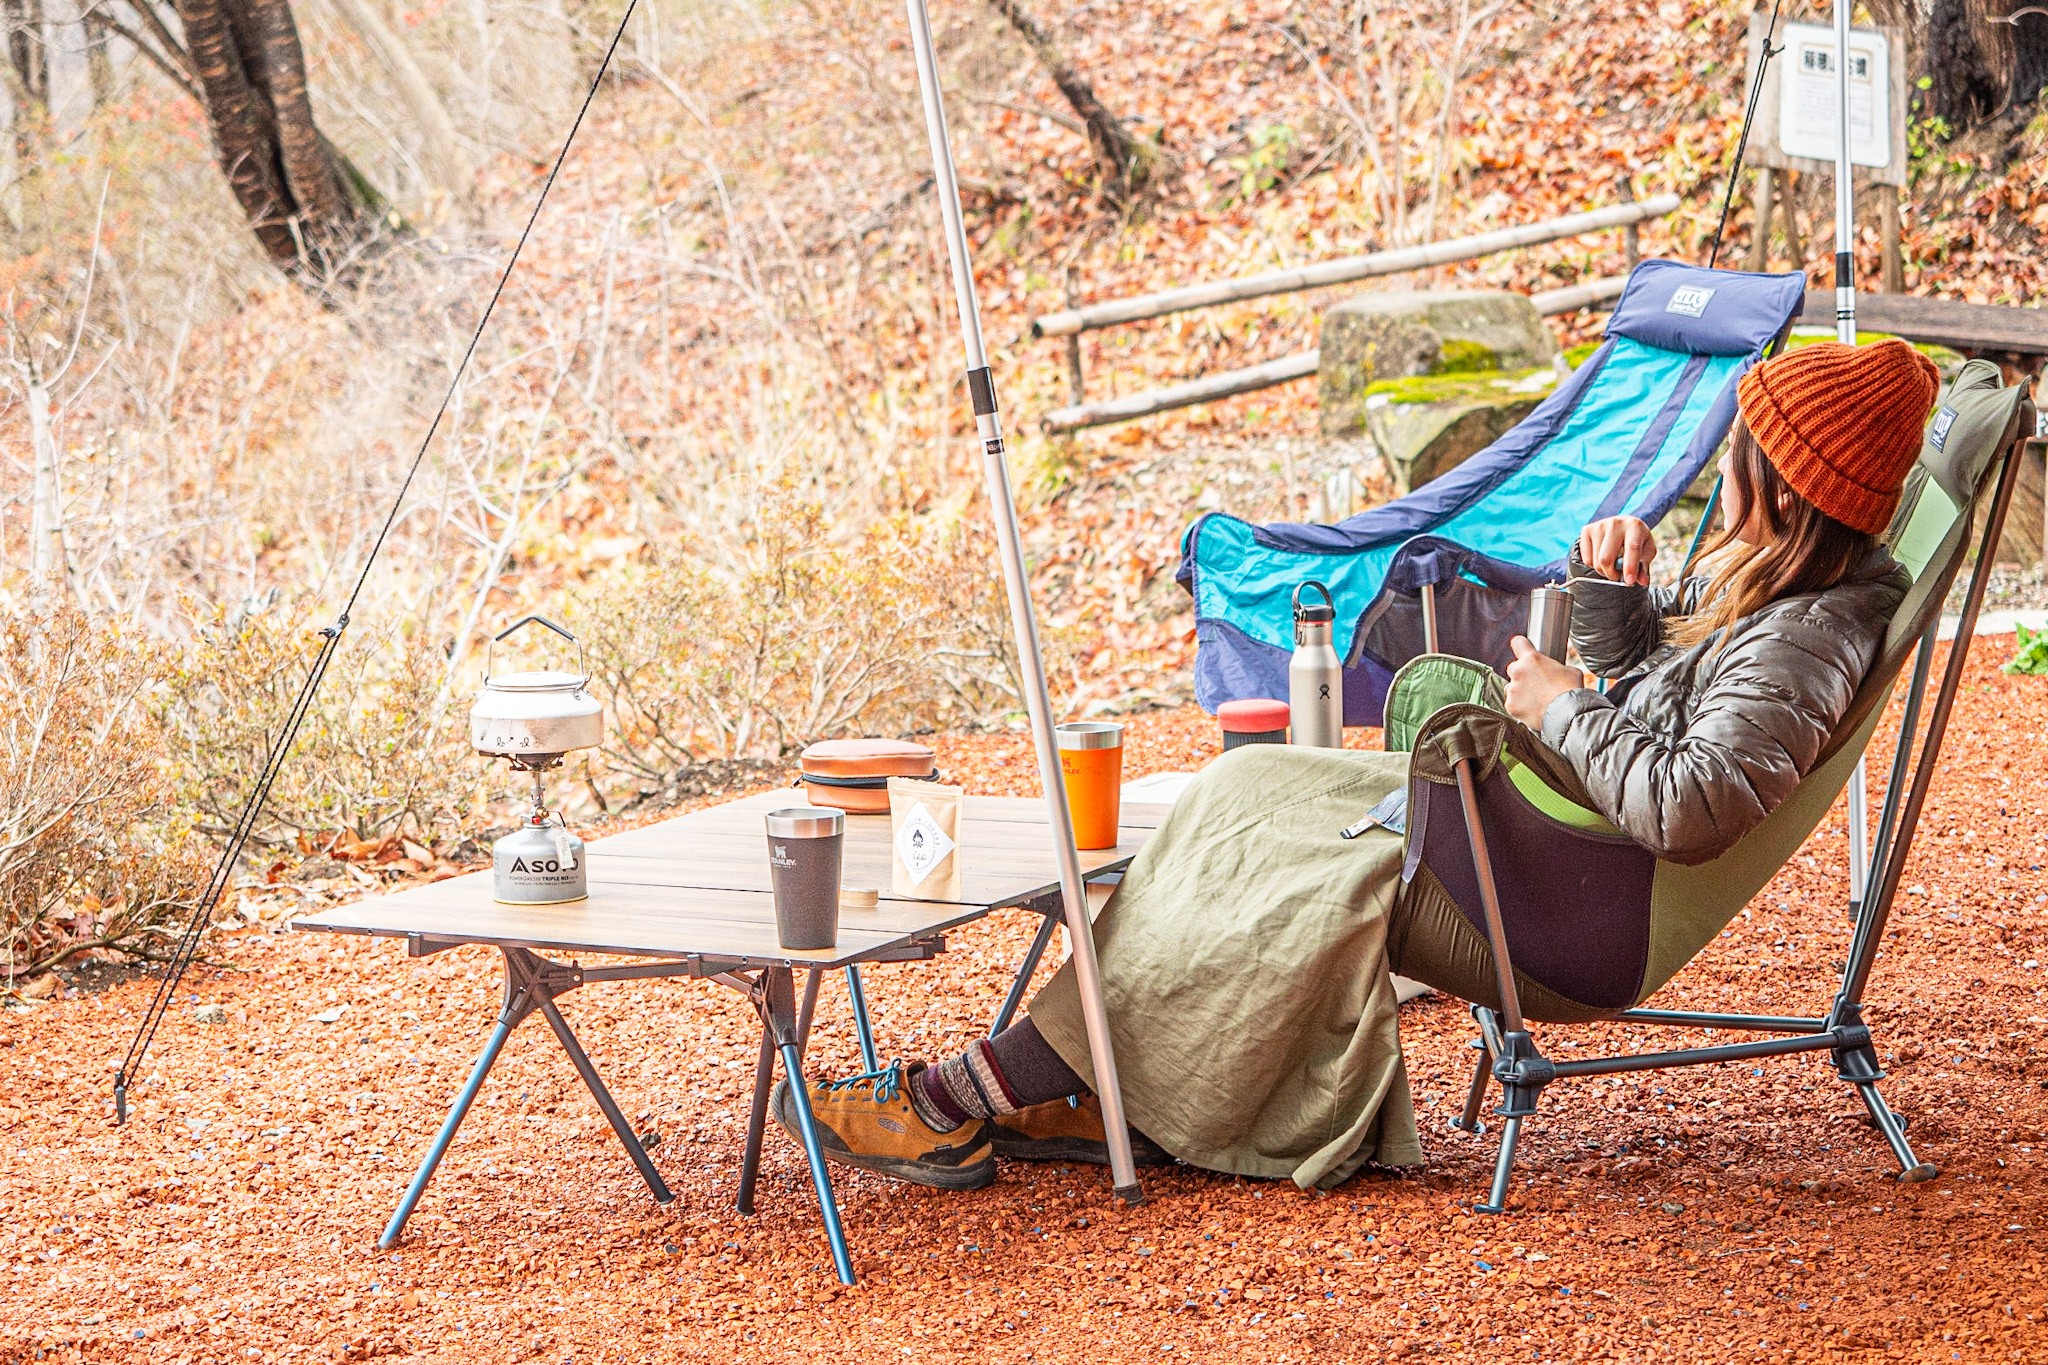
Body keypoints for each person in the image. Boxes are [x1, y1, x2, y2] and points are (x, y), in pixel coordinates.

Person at [774, 338, 1941, 1192]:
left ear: (1779, 485)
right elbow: (1659, 700)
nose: (1719, 476)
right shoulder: (1774, 584)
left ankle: (962, 1098)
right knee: (1239, 792)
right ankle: (1095, 1085)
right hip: (1547, 835)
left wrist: (1563, 703)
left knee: (1287, 869)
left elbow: (1687, 809)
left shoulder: (1805, 634)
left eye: (1740, 456)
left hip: (1569, 907)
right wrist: (1610, 596)